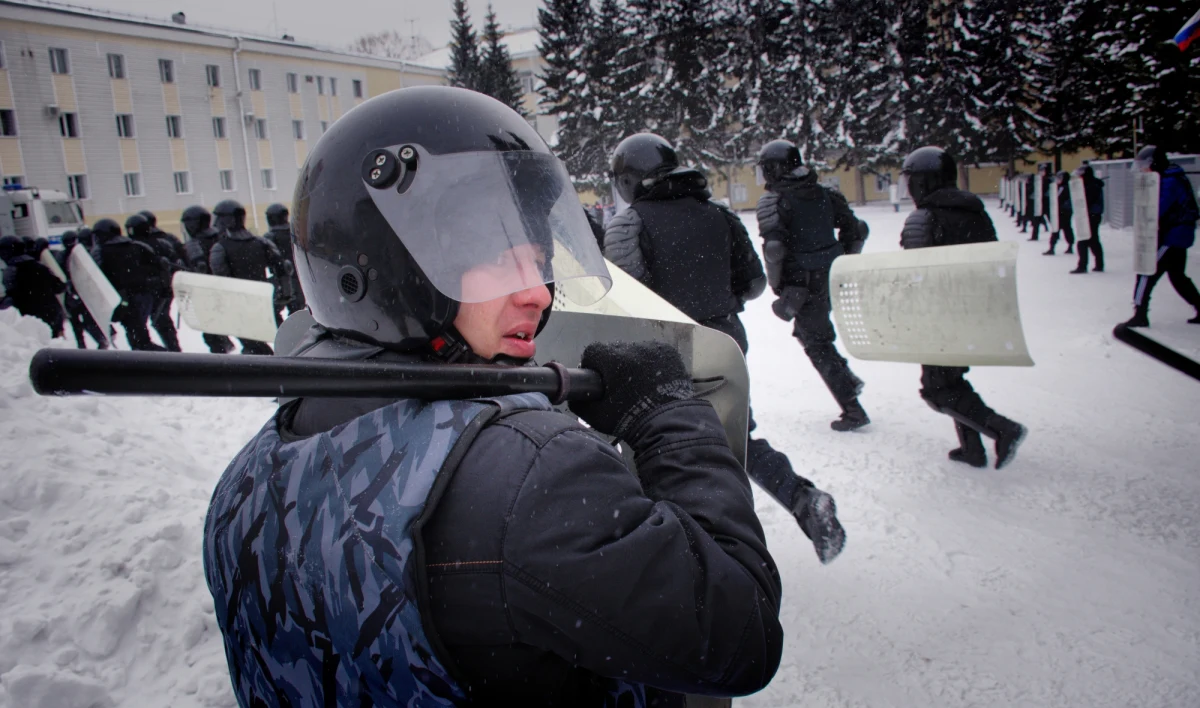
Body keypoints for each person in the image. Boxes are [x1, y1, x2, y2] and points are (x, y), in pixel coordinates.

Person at [202, 85, 783, 707]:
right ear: (394, 269)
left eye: (540, 261)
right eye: (500, 261)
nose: (538, 294)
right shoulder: (533, 475)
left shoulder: (246, 477)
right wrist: (669, 417)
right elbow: (740, 635)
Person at [603, 133, 846, 563]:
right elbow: (752, 283)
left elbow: (622, 300)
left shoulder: (630, 224)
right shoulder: (719, 215)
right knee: (737, 439)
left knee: (661, 450)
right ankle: (803, 499)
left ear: (631, 178)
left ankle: (683, 551)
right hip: (724, 346)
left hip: (663, 354)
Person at [898, 146, 1027, 470]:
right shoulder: (975, 211)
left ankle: (1002, 429)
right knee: (952, 383)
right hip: (973, 315)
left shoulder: (925, 218)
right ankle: (971, 449)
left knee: (937, 391)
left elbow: (913, 276)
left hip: (940, 319)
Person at [754, 138, 870, 432]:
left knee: (817, 343)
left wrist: (780, 287)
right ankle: (848, 382)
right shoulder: (824, 194)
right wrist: (838, 262)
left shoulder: (776, 201)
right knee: (812, 337)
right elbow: (856, 232)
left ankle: (852, 408)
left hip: (802, 284)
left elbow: (775, 250)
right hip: (829, 279)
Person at [1123, 145, 1200, 327]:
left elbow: (1155, 208)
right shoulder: (1169, 177)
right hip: (1178, 235)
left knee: (1146, 271)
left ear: (1155, 163)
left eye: (1145, 165)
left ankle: (1140, 314)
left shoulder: (1168, 181)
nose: (1143, 169)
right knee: (1177, 276)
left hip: (1172, 236)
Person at [209, 199, 291, 355]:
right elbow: (282, 268)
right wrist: (284, 292)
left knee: (258, 347)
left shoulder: (221, 248)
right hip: (262, 302)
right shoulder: (261, 242)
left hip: (244, 306)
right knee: (281, 343)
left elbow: (222, 282)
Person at [89, 218, 166, 351]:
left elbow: (95, 276)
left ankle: (166, 362)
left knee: (139, 339)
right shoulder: (137, 246)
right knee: (138, 334)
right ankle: (153, 362)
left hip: (125, 299)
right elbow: (158, 267)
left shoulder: (101, 251)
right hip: (145, 296)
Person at [181, 205, 235, 354]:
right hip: (226, 287)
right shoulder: (222, 236)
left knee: (211, 335)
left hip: (206, 291)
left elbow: (200, 268)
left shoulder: (194, 244)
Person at [126, 213, 183, 351]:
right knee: (162, 320)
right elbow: (176, 260)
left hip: (149, 289)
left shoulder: (134, 247)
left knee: (143, 324)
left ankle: (163, 353)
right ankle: (173, 349)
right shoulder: (162, 242)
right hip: (166, 287)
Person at [0, 235, 66, 337]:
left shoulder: (11, 271)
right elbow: (59, 287)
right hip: (54, 315)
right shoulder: (39, 266)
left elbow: (11, 297)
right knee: (60, 349)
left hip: (32, 322)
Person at [55, 230, 109, 349]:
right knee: (84, 321)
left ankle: (90, 343)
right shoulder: (79, 254)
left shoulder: (73, 254)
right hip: (77, 291)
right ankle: (96, 341)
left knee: (81, 322)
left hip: (77, 292)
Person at [263, 203, 307, 322]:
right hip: (299, 278)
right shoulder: (296, 232)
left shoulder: (269, 237)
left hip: (281, 280)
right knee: (297, 312)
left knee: (275, 312)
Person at [1071, 164, 1106, 273]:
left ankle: (1083, 265)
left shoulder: (1092, 185)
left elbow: (1087, 201)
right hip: (1091, 215)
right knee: (1093, 241)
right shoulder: (1091, 184)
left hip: (1092, 215)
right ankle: (1098, 264)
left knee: (1084, 241)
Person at [1044, 171, 1075, 256]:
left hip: (1063, 211)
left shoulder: (1065, 187)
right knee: (1066, 228)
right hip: (1063, 211)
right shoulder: (1062, 187)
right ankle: (1069, 245)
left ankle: (1052, 248)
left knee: (1058, 228)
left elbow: (1059, 198)